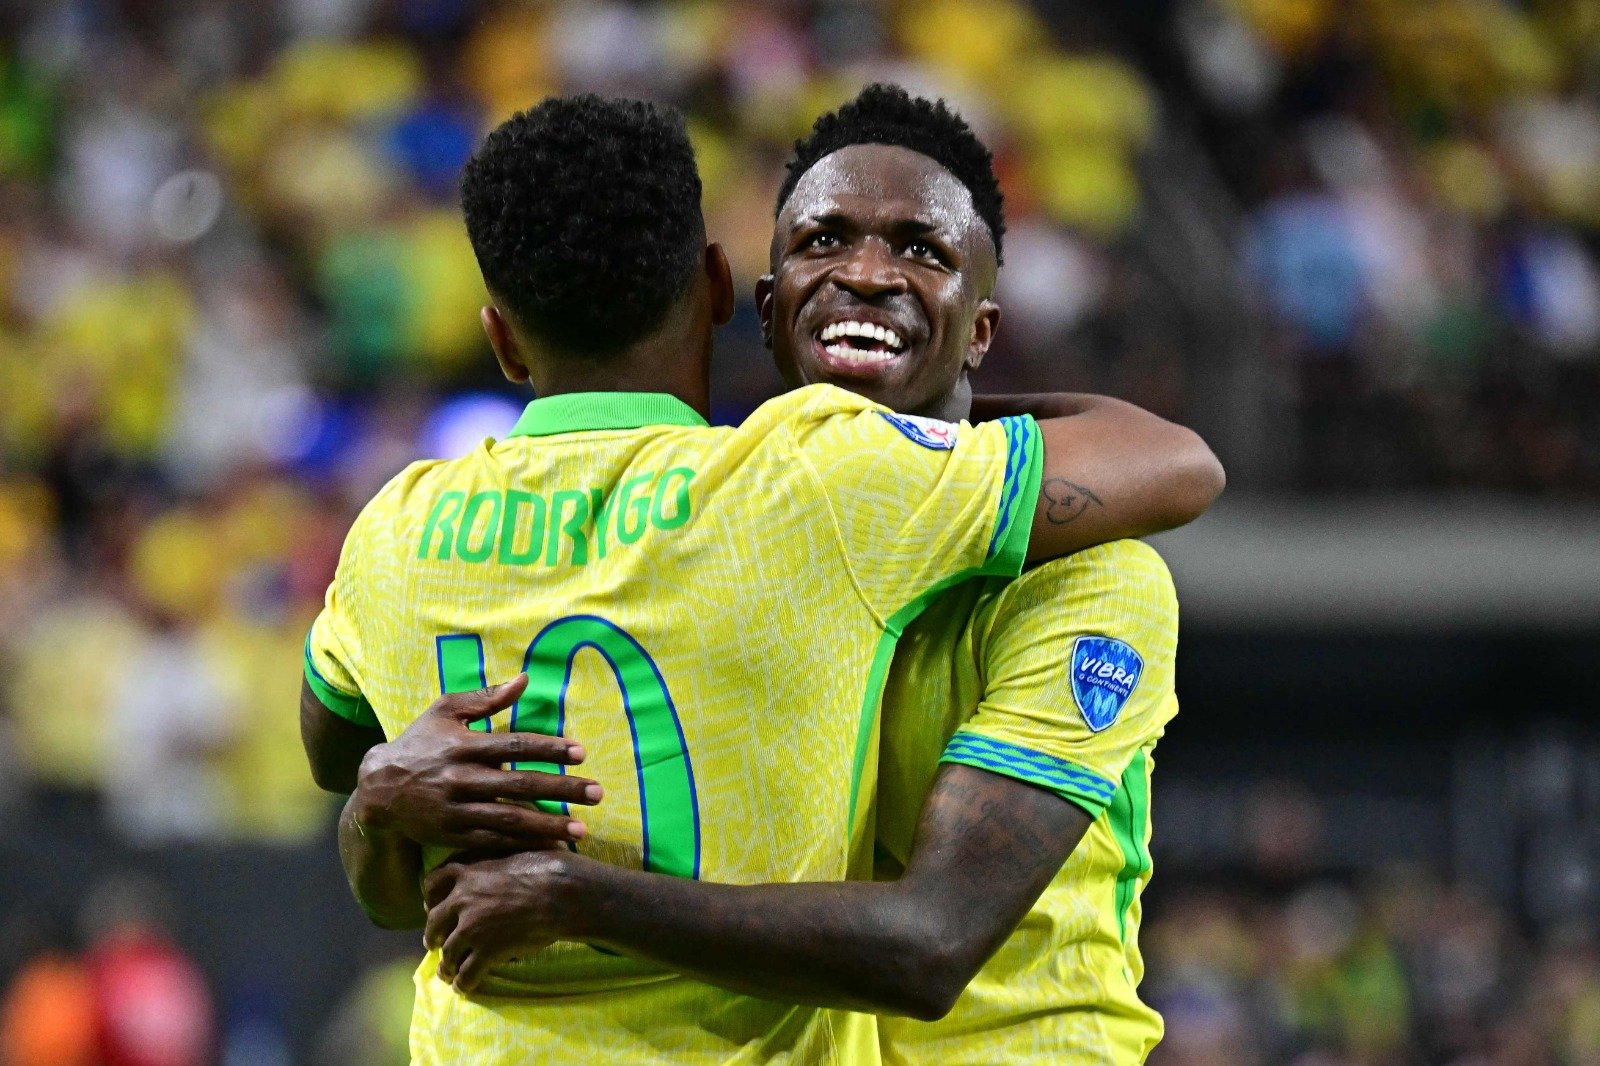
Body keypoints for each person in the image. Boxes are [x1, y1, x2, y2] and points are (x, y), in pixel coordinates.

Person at [302, 93, 1221, 1062]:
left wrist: (561, 888)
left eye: (922, 252)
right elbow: (396, 870)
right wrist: (376, 801)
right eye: (826, 240)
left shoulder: (1086, 574)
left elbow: (931, 940)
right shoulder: (773, 501)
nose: (868, 274)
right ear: (750, 301)